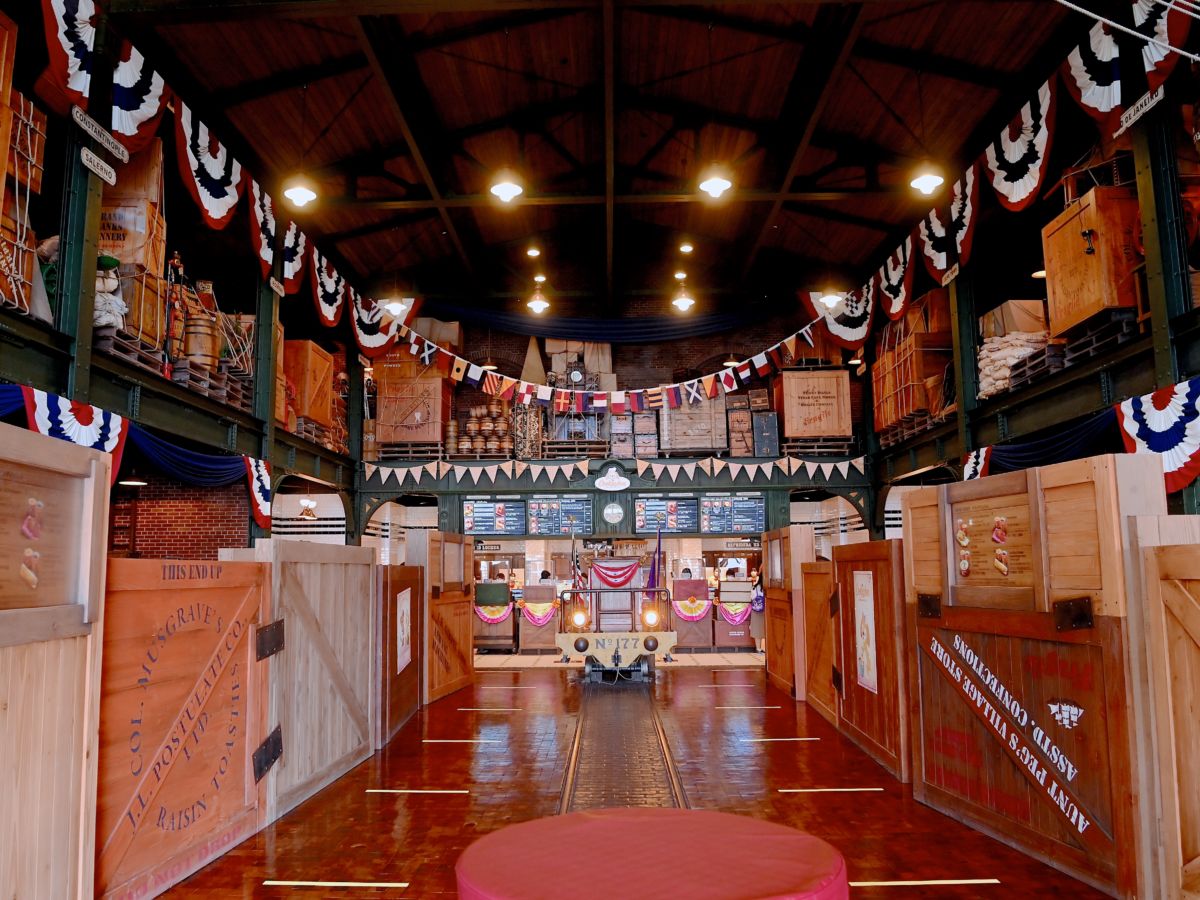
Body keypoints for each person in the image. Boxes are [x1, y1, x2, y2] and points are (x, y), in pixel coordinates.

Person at [750, 567, 766, 653]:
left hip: (756, 610)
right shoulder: (766, 588)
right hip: (765, 610)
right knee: (764, 629)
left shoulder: (754, 587)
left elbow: (752, 598)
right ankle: (764, 648)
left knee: (757, 629)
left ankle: (758, 648)